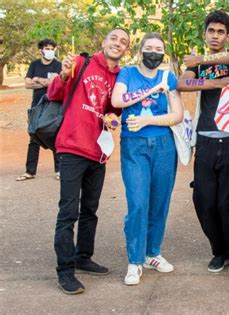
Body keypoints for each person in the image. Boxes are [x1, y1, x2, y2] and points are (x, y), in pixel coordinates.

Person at [48, 28, 130, 294]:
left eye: (124, 42)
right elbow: (54, 94)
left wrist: (113, 119)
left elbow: (114, 111)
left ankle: (83, 257)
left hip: (99, 151)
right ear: (104, 42)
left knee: (90, 210)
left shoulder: (119, 76)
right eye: (114, 38)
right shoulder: (81, 63)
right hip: (72, 147)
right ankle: (65, 270)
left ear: (126, 50)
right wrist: (63, 74)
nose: (118, 44)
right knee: (68, 212)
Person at [176, 10, 229, 274]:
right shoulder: (196, 63)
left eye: (220, 32)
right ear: (204, 34)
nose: (215, 35)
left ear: (227, 35)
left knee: (227, 203)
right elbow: (183, 84)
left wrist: (202, 63)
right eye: (211, 31)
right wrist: (217, 82)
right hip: (204, 139)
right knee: (204, 201)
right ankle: (218, 251)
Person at [111, 32, 184, 286]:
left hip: (164, 145)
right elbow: (117, 100)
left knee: (160, 202)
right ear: (141, 51)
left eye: (159, 48)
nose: (154, 52)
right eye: (149, 47)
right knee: (138, 203)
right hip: (134, 145)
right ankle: (134, 260)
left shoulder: (168, 77)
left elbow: (176, 115)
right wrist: (152, 91)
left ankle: (152, 253)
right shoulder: (128, 74)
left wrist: (148, 119)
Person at [17, 39, 62, 181]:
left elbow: (57, 83)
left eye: (52, 48)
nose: (50, 51)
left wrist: (37, 79)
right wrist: (46, 82)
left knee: (55, 135)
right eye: (47, 48)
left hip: (53, 106)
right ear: (41, 50)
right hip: (36, 105)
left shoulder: (58, 65)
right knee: (33, 135)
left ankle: (59, 170)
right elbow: (27, 84)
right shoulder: (34, 64)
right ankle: (30, 171)